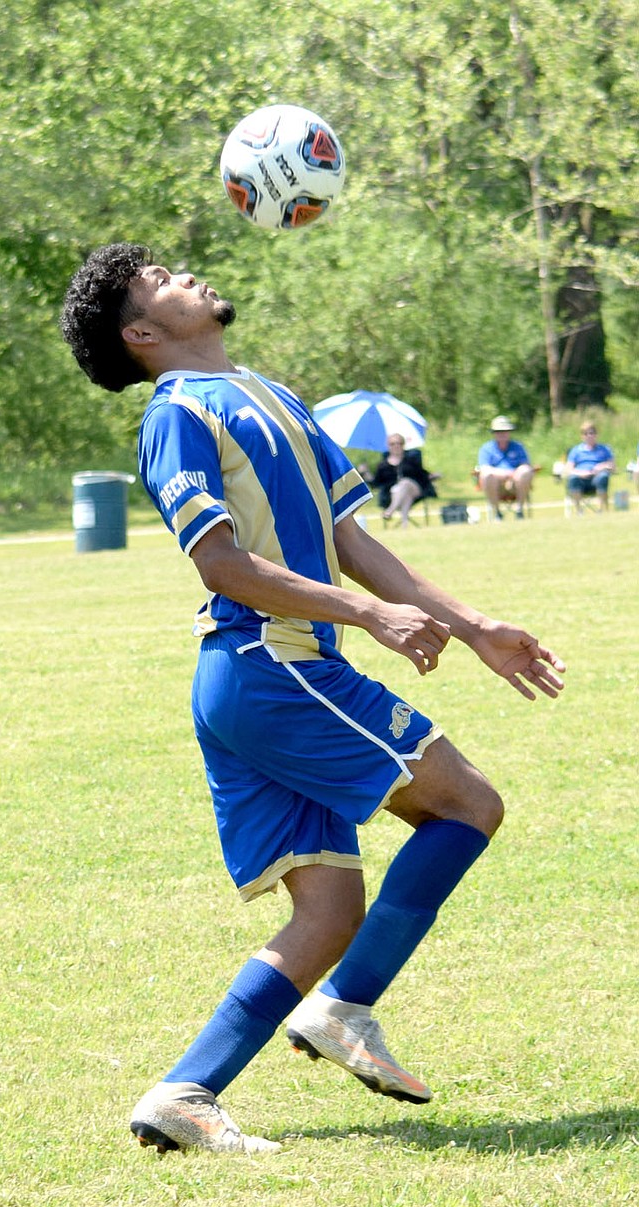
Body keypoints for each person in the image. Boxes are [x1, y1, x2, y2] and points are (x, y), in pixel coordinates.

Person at [60, 244, 566, 1157]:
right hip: (272, 666)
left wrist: (476, 624)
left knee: (329, 912)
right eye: (163, 281)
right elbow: (219, 562)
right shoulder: (177, 412)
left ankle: (184, 1091)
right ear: (142, 333)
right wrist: (369, 617)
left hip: (263, 677)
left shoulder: (271, 394)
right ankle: (345, 1008)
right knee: (468, 804)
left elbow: (350, 538)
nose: (189, 274)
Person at [370, 434, 438, 528]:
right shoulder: (382, 465)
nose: (396, 446)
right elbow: (376, 483)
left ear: (403, 445)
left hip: (414, 488)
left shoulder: (411, 459)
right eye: (392, 444)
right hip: (393, 493)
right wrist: (365, 473)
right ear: (388, 446)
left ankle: (390, 510)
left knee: (405, 483)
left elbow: (422, 474)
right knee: (402, 492)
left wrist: (433, 476)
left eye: (399, 443)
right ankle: (404, 523)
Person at [476, 415, 534, 519]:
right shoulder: (486, 449)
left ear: (509, 432)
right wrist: (506, 474)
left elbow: (525, 465)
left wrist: (515, 474)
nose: (502, 434)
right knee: (487, 475)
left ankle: (519, 511)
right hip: (496, 484)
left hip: (515, 483)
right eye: (498, 431)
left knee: (525, 471)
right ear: (494, 433)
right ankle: (497, 512)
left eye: (505, 431)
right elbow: (484, 468)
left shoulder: (518, 447)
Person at [564, 421, 615, 512]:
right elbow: (568, 469)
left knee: (603, 476)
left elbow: (613, 466)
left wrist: (602, 466)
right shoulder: (575, 451)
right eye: (585, 434)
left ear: (596, 435)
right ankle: (579, 511)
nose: (589, 436)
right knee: (573, 479)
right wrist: (580, 473)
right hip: (581, 479)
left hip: (597, 478)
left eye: (591, 433)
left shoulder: (604, 449)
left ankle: (602, 510)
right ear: (582, 436)